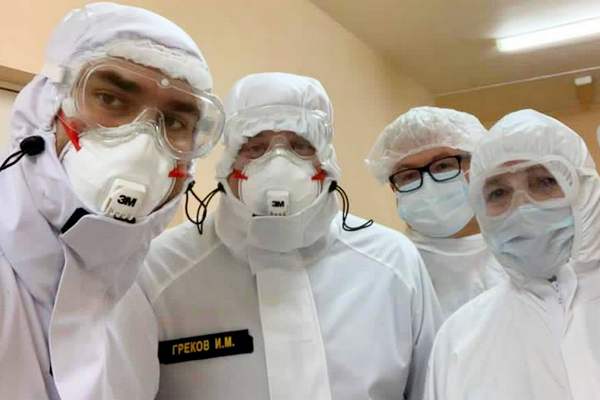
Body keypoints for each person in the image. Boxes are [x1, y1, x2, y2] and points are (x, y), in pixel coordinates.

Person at [138, 72, 442, 400]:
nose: (278, 163)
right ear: (228, 161)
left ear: (326, 159)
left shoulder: (392, 260)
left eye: (301, 145)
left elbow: (435, 387)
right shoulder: (160, 269)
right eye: (255, 147)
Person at [0, 3, 224, 399]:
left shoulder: (136, 309)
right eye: (111, 98)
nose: (143, 142)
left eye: (175, 122)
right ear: (47, 104)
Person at [425, 109, 600, 400]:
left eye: (544, 182)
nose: (521, 208)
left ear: (585, 191)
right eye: (498, 193)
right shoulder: (460, 339)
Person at [366, 106, 505, 319]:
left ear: (479, 164)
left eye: (443, 165)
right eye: (408, 175)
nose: (429, 185)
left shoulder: (525, 247)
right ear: (394, 188)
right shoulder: (388, 272)